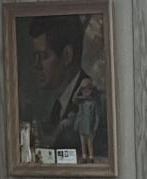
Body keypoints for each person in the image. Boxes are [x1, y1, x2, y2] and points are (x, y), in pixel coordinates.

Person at [22, 21, 107, 162]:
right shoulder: (59, 105)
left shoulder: (90, 97)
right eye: (35, 57)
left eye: (43, 56)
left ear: (67, 55)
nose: (36, 65)